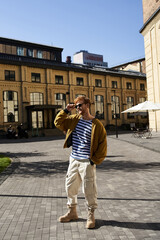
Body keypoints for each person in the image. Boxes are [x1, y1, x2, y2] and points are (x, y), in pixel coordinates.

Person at [54, 96, 107, 229]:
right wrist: (66, 111)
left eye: (80, 105)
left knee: (89, 189)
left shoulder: (96, 124)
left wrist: (93, 160)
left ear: (87, 105)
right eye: (76, 106)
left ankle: (91, 215)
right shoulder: (74, 120)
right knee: (69, 186)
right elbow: (58, 122)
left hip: (86, 162)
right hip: (74, 159)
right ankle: (72, 212)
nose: (78, 108)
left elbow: (102, 145)